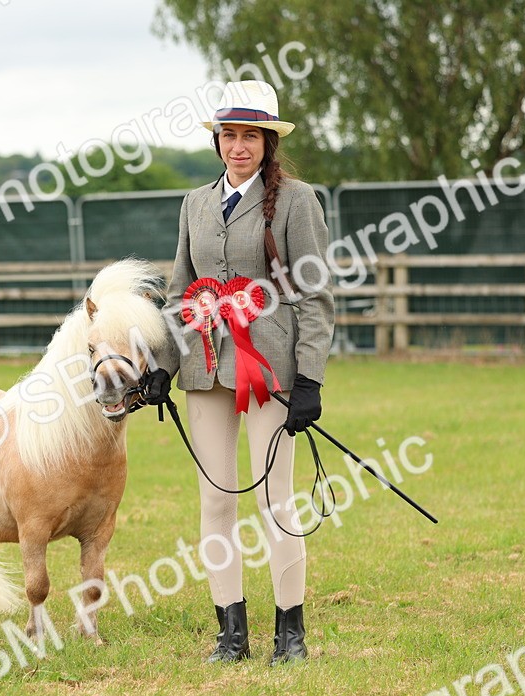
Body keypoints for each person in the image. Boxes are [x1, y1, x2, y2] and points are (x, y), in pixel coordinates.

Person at [142, 80, 335, 665]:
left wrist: (310, 379)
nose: (238, 146)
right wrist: (162, 365)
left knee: (275, 501)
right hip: (204, 370)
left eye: (250, 135)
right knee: (215, 502)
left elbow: (316, 294)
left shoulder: (298, 201)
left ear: (268, 142)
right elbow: (180, 292)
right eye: (229, 134)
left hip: (270, 371)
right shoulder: (194, 204)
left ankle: (291, 634)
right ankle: (230, 634)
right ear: (218, 141)